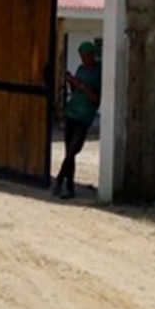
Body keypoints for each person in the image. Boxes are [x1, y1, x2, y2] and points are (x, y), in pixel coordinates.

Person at [53, 40, 101, 199]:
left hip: (84, 115)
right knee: (69, 152)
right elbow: (75, 92)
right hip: (72, 112)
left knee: (73, 150)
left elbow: (95, 98)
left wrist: (80, 85)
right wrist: (71, 82)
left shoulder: (98, 72)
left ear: (91, 55)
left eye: (85, 56)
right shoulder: (81, 69)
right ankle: (69, 186)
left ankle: (60, 179)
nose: (83, 59)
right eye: (81, 56)